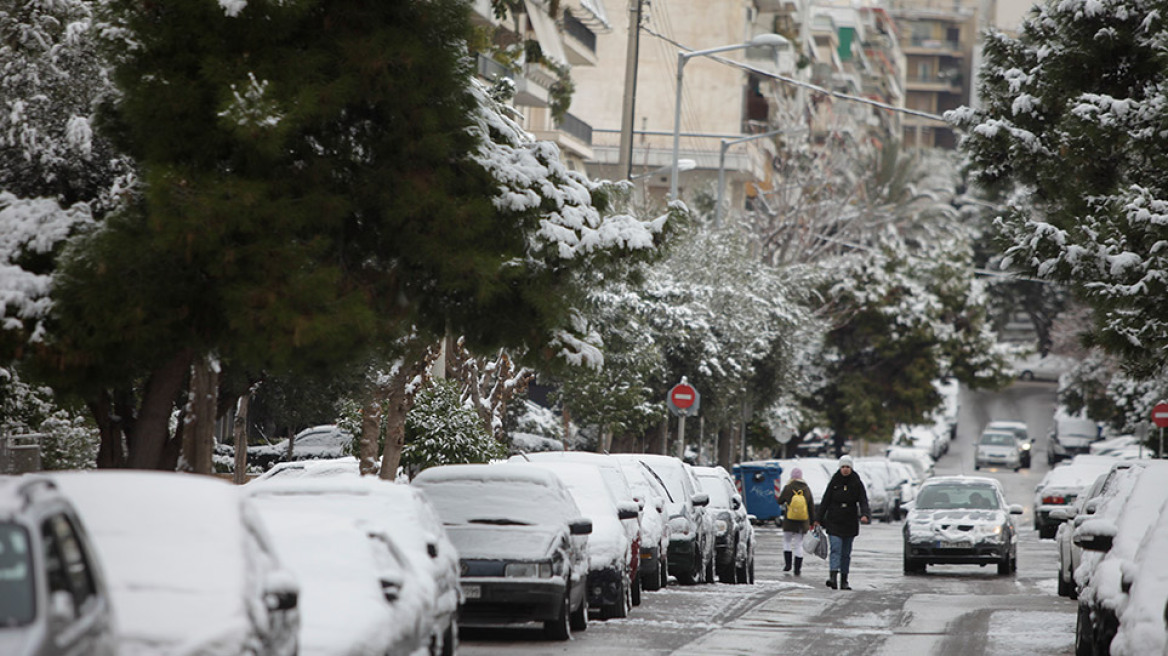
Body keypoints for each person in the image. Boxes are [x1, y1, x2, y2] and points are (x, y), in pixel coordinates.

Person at [816, 454, 870, 590]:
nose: (845, 470)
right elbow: (825, 501)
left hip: (850, 521)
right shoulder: (834, 482)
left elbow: (863, 500)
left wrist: (865, 514)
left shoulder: (856, 482)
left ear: (851, 468)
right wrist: (817, 519)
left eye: (848, 467)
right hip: (834, 520)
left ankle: (844, 580)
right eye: (843, 467)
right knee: (835, 549)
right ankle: (833, 577)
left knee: (846, 553)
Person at [775, 468, 816, 576]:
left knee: (787, 542)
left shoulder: (788, 488)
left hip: (789, 520)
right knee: (798, 544)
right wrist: (812, 522)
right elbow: (811, 506)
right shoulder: (806, 489)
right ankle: (797, 569)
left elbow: (780, 501)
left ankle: (788, 565)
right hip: (803, 522)